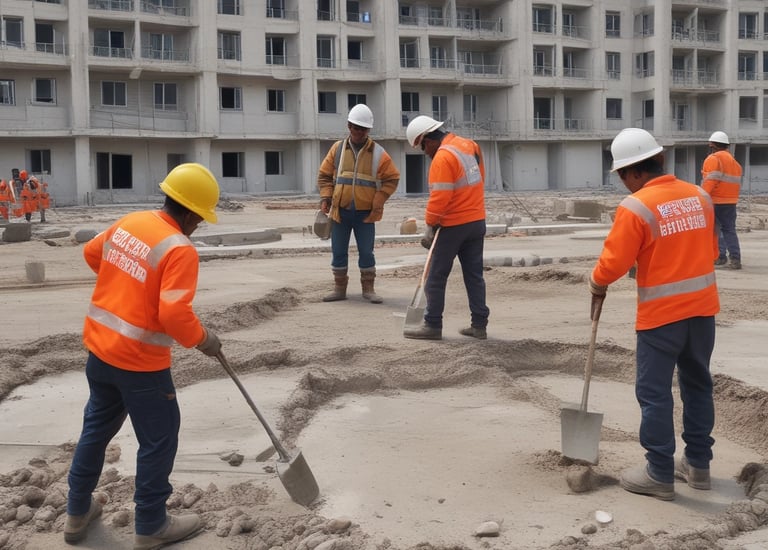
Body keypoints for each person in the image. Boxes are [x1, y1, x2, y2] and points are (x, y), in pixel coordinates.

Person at [65, 163, 223, 548]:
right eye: (199, 219)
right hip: (139, 363)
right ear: (187, 212)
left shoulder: (130, 221)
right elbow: (173, 314)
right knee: (159, 438)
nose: (198, 226)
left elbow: (92, 253)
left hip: (100, 352)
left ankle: (76, 513)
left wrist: (128, 286)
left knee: (95, 431)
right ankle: (151, 525)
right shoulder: (180, 249)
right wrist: (204, 339)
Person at [590, 128, 720, 501]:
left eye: (622, 177)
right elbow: (709, 251)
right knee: (697, 386)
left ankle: (660, 472)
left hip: (662, 316)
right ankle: (698, 465)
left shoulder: (636, 207)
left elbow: (613, 264)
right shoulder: (700, 196)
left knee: (654, 393)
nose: (623, 185)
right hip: (703, 311)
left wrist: (596, 282)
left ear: (633, 172)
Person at [402, 115, 490, 341]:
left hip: (453, 225)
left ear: (427, 139)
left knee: (435, 276)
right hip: (477, 221)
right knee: (474, 276)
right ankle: (479, 325)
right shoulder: (469, 145)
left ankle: (432, 325)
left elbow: (439, 198)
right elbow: (480, 179)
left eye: (422, 147)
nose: (425, 153)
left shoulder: (442, 157)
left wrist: (430, 225)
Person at [317, 104, 400, 303]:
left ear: (368, 130)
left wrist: (378, 201)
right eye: (355, 127)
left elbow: (392, 179)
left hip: (365, 214)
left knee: (366, 252)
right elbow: (324, 175)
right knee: (338, 251)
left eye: (362, 129)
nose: (358, 132)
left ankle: (368, 289)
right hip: (340, 212)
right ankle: (339, 288)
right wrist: (325, 197)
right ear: (349, 126)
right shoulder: (337, 149)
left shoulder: (379, 153)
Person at [701, 131, 743, 269]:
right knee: (730, 229)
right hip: (731, 201)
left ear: (712, 145)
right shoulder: (735, 163)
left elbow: (710, 182)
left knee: (715, 231)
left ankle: (720, 256)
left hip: (715, 201)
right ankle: (735, 259)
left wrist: (702, 198)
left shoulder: (713, 159)